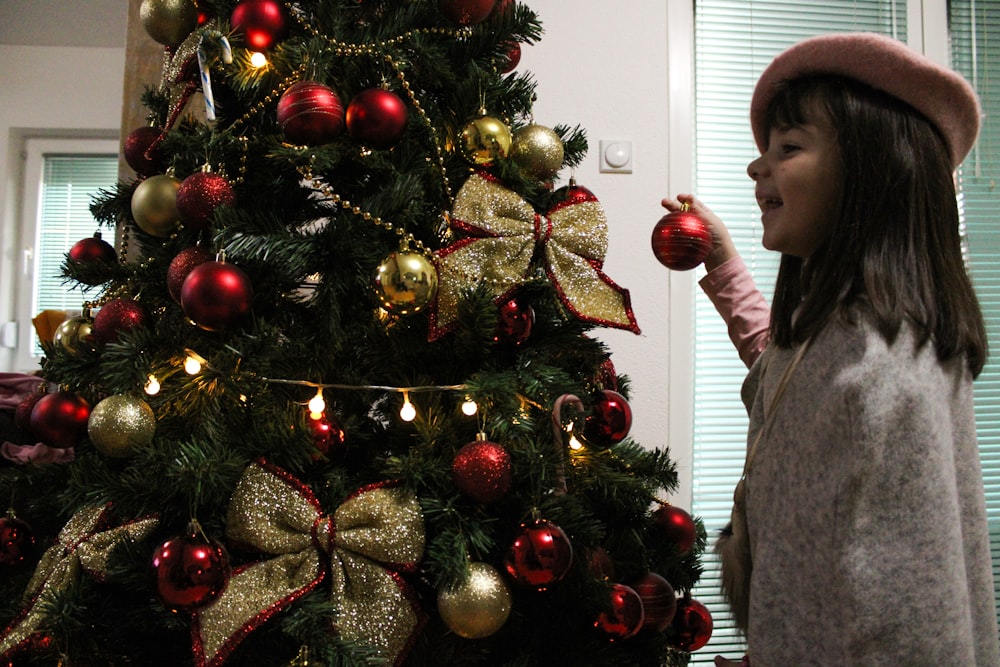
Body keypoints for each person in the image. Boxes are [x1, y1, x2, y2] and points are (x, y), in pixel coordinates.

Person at [661, 33, 1000, 666]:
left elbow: (906, 622)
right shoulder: (844, 339)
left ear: (874, 175)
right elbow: (781, 376)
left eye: (789, 147)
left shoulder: (884, 369)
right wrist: (725, 263)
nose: (758, 168)